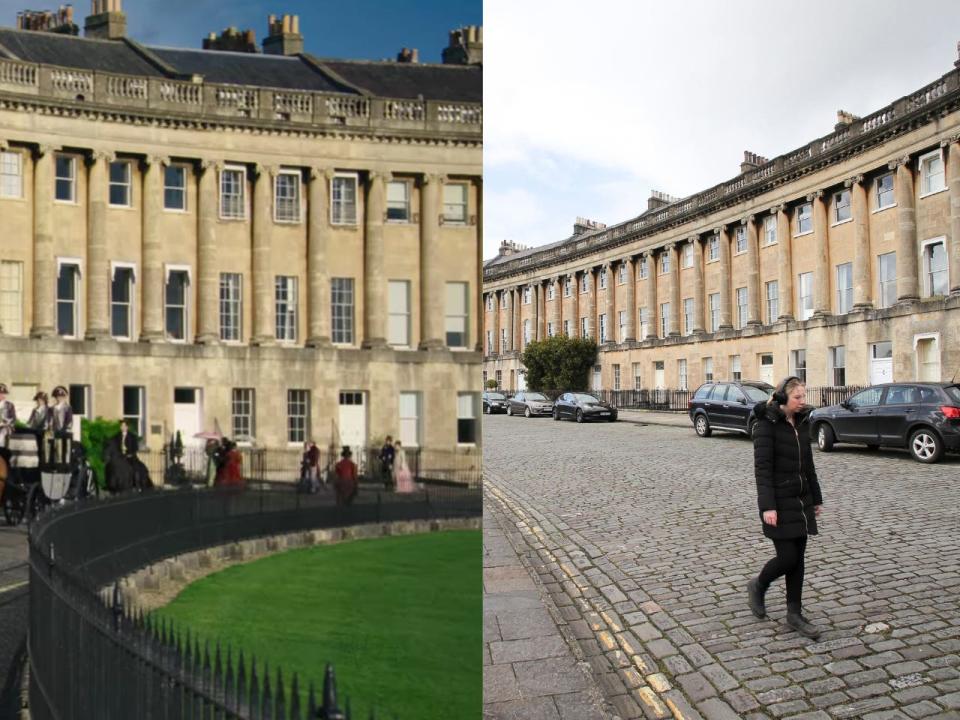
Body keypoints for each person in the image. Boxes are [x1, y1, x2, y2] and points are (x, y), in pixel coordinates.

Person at [748, 376, 824, 639]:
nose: (803, 401)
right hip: (778, 502)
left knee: (798, 559)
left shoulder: (802, 422)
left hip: (801, 499)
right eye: (797, 397)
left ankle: (794, 614)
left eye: (804, 396)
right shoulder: (766, 425)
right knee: (788, 557)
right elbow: (762, 469)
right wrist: (767, 506)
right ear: (783, 398)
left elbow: (808, 463)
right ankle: (758, 585)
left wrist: (816, 497)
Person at [50, 386, 73, 465]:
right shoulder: (53, 408)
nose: (59, 398)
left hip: (64, 432)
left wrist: (65, 429)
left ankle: (63, 465)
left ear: (64, 397)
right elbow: (50, 420)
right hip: (54, 431)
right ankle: (55, 464)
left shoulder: (67, 408)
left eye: (61, 396)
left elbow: (69, 420)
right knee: (54, 449)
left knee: (64, 449)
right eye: (57, 397)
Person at [27, 391, 50, 464]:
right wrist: (28, 426)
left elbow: (48, 421)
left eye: (41, 400)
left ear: (44, 401)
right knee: (36, 449)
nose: (39, 401)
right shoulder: (35, 410)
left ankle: (44, 464)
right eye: (38, 400)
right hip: (35, 432)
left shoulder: (48, 410)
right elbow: (30, 421)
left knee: (44, 449)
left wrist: (45, 428)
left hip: (44, 433)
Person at [0, 384, 16, 449]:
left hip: (5, 429)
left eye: (3, 393)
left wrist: (5, 423)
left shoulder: (10, 405)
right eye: (0, 393)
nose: (2, 395)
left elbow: (13, 419)